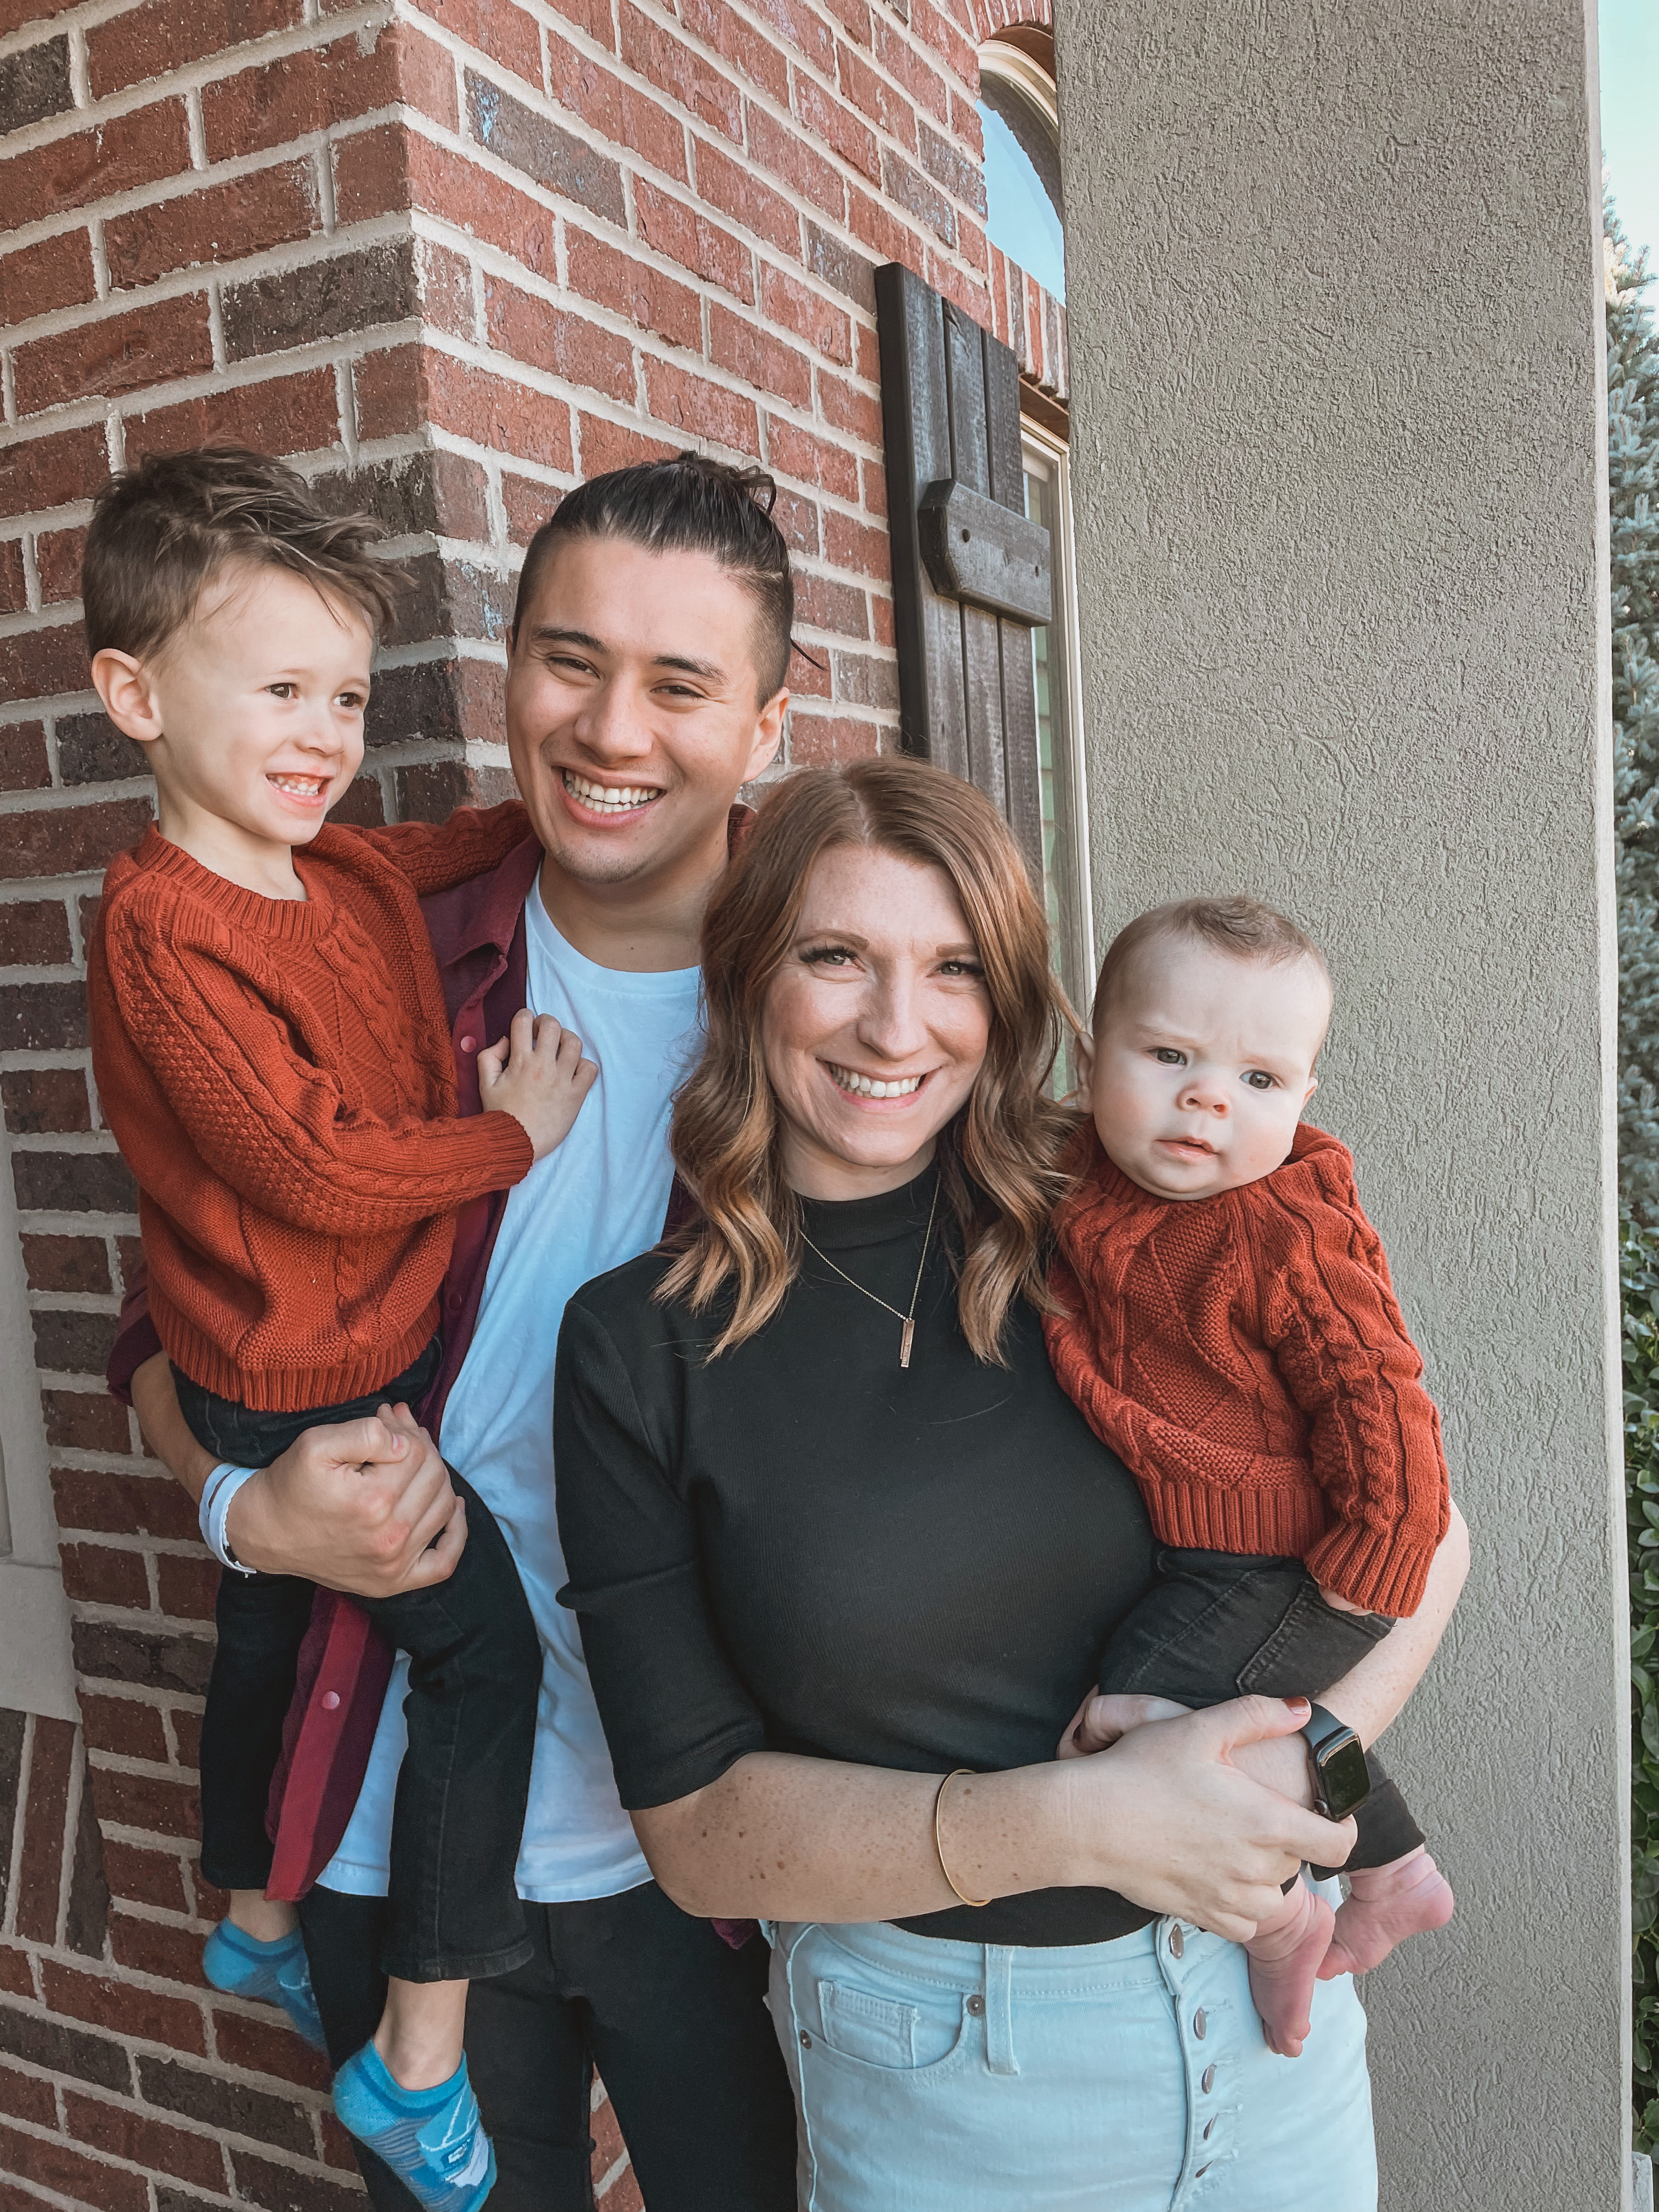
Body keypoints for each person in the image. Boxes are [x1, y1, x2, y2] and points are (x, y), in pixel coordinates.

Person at [553, 755, 1470, 2212]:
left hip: (1266, 2026)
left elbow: (1425, 1535)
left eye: (955, 968)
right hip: (949, 2071)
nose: (895, 1025)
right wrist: (1087, 1818)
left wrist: (1304, 1775)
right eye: (835, 956)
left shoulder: (1122, 1218)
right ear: (746, 975)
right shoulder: (638, 1346)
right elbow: (698, 1836)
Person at [109, 454, 802, 2211]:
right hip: (387, 1807)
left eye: (679, 683)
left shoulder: (835, 1012)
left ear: (768, 726)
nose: (610, 729)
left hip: (702, 1833)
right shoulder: (365, 937)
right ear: (510, 669)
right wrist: (241, 1512)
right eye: (570, 660)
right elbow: (167, 1322)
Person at [84, 448, 599, 2209]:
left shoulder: (331, 871)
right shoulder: (166, 932)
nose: (323, 734)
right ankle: (410, 2064)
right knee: (484, 1660)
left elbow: (432, 850)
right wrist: (511, 1142)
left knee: (265, 1622)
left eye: (347, 696)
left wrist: (579, 801)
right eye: (277, 691)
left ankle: (251, 1912)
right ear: (137, 698)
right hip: (294, 1380)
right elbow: (309, 1166)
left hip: (321, 1360)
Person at [1045, 895, 1458, 2063]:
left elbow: (1379, 1396)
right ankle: (1396, 1867)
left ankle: (1279, 1917)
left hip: (1304, 1557)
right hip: (1212, 1548)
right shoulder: (1078, 1171)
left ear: (1304, 1096)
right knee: (1255, 1715)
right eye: (1169, 1056)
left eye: (1259, 1079)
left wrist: (1363, 1574)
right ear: (1093, 1057)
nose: (1208, 1099)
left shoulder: (1283, 1233)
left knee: (1136, 1717)